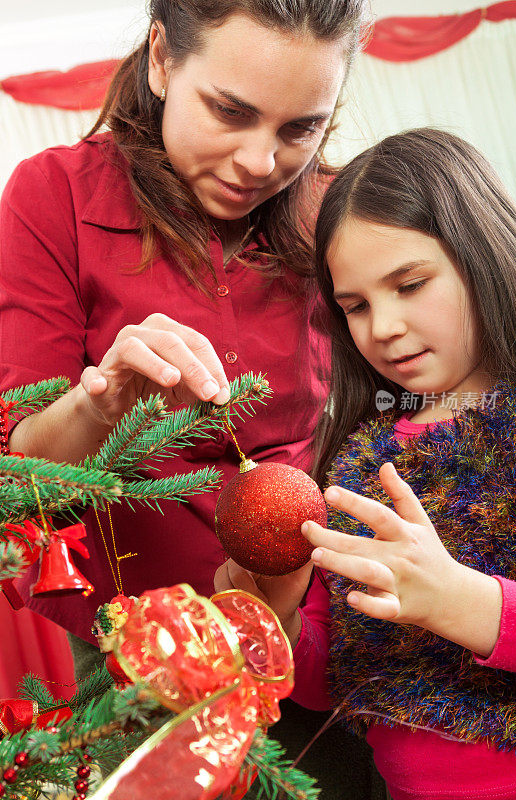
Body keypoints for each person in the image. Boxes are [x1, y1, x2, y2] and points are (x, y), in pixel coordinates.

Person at [1, 3, 387, 798]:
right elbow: (22, 481)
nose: (258, 160)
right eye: (230, 111)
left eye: (300, 129)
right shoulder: (52, 198)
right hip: (142, 654)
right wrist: (102, 402)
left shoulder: (335, 209)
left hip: (332, 629)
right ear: (162, 59)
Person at [215, 128, 516, 799]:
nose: (381, 326)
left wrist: (464, 602)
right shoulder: (358, 456)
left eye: (409, 284)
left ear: (482, 254)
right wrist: (276, 620)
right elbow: (341, 675)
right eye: (354, 305)